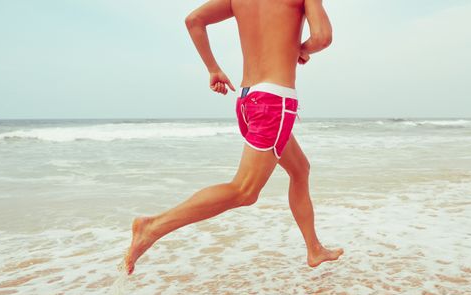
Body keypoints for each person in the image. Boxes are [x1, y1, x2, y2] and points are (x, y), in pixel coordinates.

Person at [125, 0, 343, 275]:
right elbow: (322, 37)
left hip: (247, 99)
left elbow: (194, 20)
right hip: (274, 102)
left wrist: (213, 69)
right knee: (244, 191)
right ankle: (152, 227)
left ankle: (314, 249)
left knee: (300, 169)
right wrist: (301, 49)